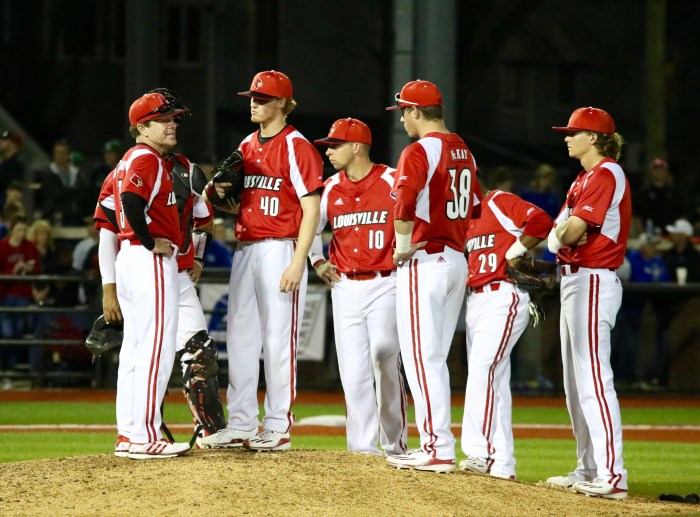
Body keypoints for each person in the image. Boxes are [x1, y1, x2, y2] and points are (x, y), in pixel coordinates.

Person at [201, 70, 323, 451]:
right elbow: (233, 201)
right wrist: (216, 193)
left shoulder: (296, 145)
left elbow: (312, 207)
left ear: (283, 103)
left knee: (277, 340)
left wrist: (298, 260)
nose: (254, 102)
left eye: (263, 98)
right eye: (252, 97)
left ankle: (277, 426)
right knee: (238, 338)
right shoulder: (247, 144)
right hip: (246, 246)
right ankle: (240, 423)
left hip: (280, 247)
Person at [383, 80, 481, 473]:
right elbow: (474, 208)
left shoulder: (420, 149)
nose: (403, 119)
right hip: (456, 258)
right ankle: (438, 443)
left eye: (405, 111)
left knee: (422, 359)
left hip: (425, 260)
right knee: (433, 359)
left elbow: (404, 203)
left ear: (416, 112)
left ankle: (437, 446)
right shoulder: (464, 149)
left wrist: (402, 245)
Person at [545, 107, 630, 499]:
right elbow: (555, 235)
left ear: (593, 138)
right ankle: (589, 467)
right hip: (572, 280)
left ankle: (612, 475)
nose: (566, 137)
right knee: (574, 383)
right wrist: (562, 235)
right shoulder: (582, 179)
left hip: (594, 279)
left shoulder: (606, 173)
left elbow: (573, 230)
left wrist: (564, 234)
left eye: (573, 132)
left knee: (594, 378)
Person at [309, 117, 408, 456]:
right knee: (353, 370)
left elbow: (420, 216)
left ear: (356, 147)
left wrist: (410, 248)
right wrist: (316, 260)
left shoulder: (393, 179)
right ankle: (363, 451)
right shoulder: (331, 186)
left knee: (384, 353)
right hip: (345, 286)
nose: (329, 151)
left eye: (334, 145)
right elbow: (307, 226)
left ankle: (395, 444)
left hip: (386, 281)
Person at [107, 91, 192, 459]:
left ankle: (128, 433)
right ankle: (145, 435)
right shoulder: (146, 158)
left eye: (174, 118)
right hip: (148, 260)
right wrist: (146, 239)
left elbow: (117, 205)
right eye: (164, 119)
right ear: (142, 127)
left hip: (129, 260)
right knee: (156, 349)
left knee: (135, 350)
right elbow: (129, 201)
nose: (172, 123)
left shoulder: (129, 158)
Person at [459, 185, 553, 480]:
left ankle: (479, 451)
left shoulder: (498, 201)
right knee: (494, 379)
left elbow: (540, 221)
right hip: (475, 299)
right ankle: (502, 464)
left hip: (502, 295)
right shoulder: (463, 217)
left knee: (483, 369)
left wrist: (516, 249)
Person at [633, 158, 685, 236]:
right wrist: (642, 235)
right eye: (656, 169)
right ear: (650, 172)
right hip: (649, 237)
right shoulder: (642, 194)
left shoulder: (675, 194)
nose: (659, 171)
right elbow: (637, 217)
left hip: (672, 237)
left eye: (662, 168)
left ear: (667, 171)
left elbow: (681, 216)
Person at [0, 130, 25, 207]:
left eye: (4, 140)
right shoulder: (3, 161)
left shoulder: (17, 166)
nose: (0, 141)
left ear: (13, 144)